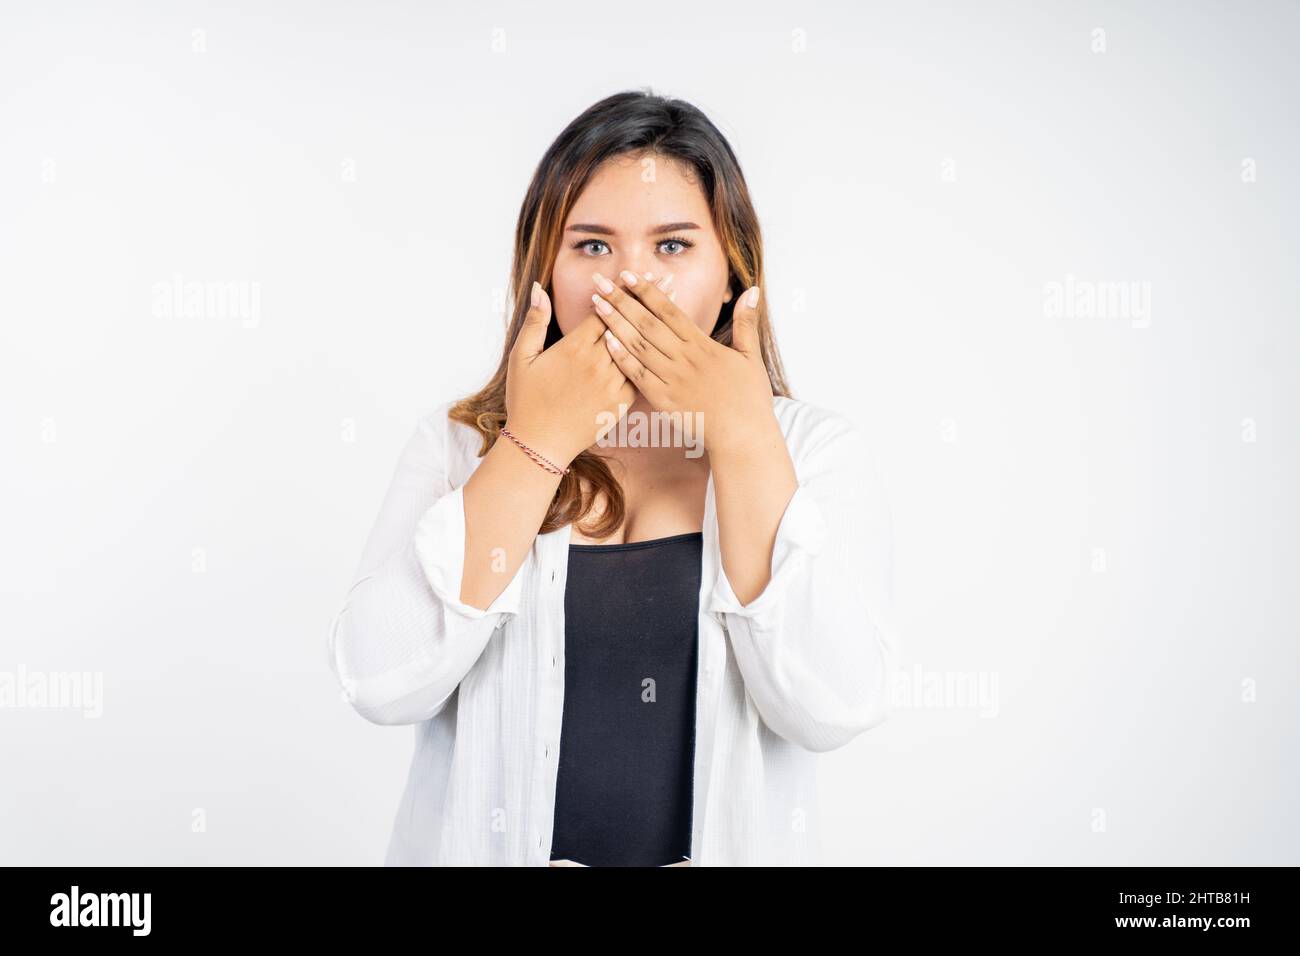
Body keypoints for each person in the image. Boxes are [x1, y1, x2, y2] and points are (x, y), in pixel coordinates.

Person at [328, 88, 900, 866]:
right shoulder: (460, 446)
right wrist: (534, 445)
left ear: (732, 273)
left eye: (672, 247)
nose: (632, 284)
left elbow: (833, 708)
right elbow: (378, 680)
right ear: (544, 274)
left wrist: (742, 438)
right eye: (593, 246)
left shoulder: (812, 450)